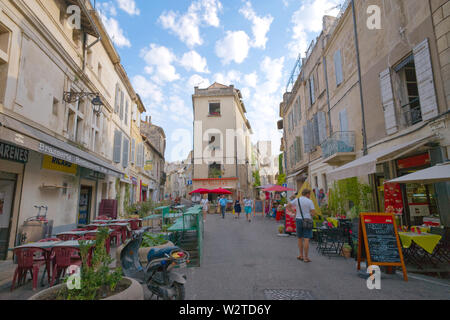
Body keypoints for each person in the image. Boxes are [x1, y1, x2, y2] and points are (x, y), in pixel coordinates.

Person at [287, 189, 316, 263]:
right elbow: (313, 213)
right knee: (306, 239)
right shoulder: (310, 201)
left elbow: (288, 206)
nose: (309, 196)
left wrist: (295, 212)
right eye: (309, 194)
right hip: (307, 220)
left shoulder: (297, 199)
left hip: (298, 220)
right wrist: (308, 213)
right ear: (307, 194)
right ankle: (306, 258)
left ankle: (300, 255)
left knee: (299, 238)